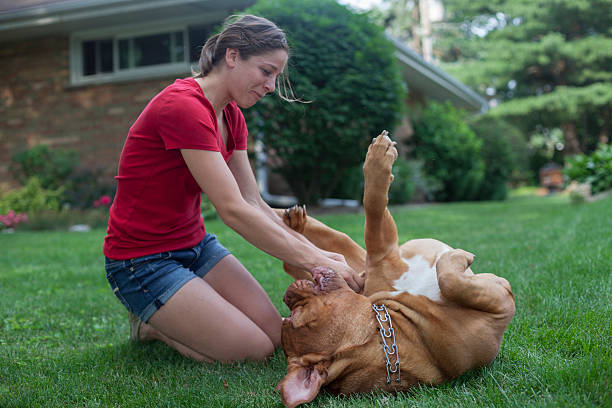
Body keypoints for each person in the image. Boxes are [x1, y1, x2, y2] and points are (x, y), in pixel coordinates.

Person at [103, 14, 363, 363]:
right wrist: (315, 261)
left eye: (276, 76)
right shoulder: (182, 106)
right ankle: (150, 324)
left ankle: (177, 309)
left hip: (195, 247)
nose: (271, 86)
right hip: (141, 261)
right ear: (233, 56)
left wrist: (318, 253)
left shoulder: (231, 115)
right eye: (266, 71)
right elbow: (232, 209)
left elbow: (252, 201)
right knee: (251, 351)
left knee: (276, 336)